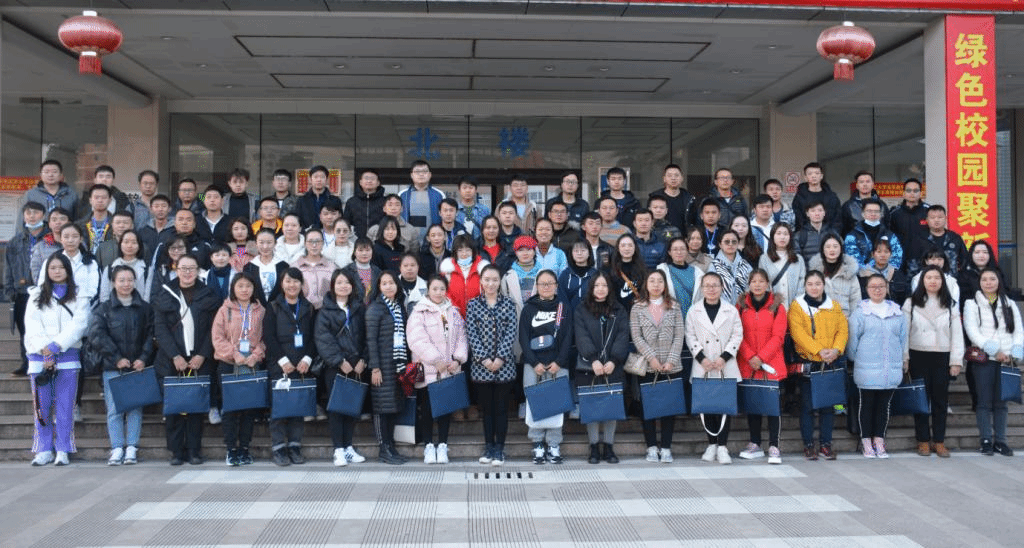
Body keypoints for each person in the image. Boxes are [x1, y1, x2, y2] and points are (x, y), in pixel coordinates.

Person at [152, 254, 220, 466]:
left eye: (192, 268)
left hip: (199, 359)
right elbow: (160, 329)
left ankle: (194, 450)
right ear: (176, 269)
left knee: (196, 408)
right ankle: (176, 451)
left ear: (198, 270)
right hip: (172, 360)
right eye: (183, 268)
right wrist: (175, 356)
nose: (188, 272)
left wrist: (202, 354)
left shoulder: (208, 293)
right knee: (174, 408)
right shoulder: (165, 293)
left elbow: (214, 329)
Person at [24, 253, 90, 466]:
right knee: (41, 408)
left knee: (65, 407)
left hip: (67, 357)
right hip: (39, 359)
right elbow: (32, 325)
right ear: (46, 271)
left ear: (68, 270)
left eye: (61, 267)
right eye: (52, 268)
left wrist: (56, 346)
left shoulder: (79, 294)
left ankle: (63, 448)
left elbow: (80, 324)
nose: (57, 271)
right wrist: (45, 350)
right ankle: (43, 449)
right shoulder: (36, 295)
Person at [90, 265, 154, 466]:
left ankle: (132, 447)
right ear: (113, 283)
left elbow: (151, 335)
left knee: (135, 408)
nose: (126, 284)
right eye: (121, 280)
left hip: (137, 367)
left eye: (130, 280)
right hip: (113, 367)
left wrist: (144, 357)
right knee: (114, 409)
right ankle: (117, 447)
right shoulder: (104, 309)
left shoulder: (145, 308)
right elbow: (97, 336)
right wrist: (116, 357)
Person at [407, 276, 469, 465]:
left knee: (445, 410)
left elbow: (462, 337)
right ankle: (428, 445)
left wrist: (458, 359)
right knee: (426, 409)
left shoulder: (453, 312)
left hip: (448, 370)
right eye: (435, 289)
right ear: (428, 290)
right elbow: (417, 339)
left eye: (442, 289)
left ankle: (442, 445)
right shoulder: (419, 312)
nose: (438, 292)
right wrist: (436, 360)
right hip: (428, 369)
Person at [904, 266, 964, 458]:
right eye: (928, 277)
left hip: (942, 355)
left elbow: (957, 334)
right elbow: (904, 333)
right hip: (918, 354)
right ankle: (923, 440)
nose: (932, 281)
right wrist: (904, 357)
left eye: (936, 277)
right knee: (921, 401)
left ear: (942, 281)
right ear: (922, 280)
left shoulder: (950, 303)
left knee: (940, 401)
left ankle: (939, 441)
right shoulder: (911, 302)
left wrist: (956, 360)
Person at [847, 274, 909, 458]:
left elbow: (903, 339)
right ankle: (866, 441)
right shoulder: (860, 313)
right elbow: (852, 341)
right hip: (866, 367)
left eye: (881, 286)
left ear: (887, 287)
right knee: (866, 405)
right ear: (866, 289)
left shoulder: (897, 312)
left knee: (884, 406)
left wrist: (903, 359)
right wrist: (855, 359)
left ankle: (879, 440)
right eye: (873, 286)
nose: (877, 290)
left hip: (890, 368)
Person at [963, 268, 1023, 457]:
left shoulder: (1009, 303)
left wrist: (1014, 352)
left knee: (1002, 403)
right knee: (983, 402)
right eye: (985, 279)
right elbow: (972, 331)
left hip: (1007, 360)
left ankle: (1001, 441)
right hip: (984, 359)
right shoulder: (972, 304)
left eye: (992, 279)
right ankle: (986, 440)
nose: (988, 283)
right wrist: (994, 350)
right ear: (979, 283)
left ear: (999, 282)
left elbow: (1019, 330)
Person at [789, 270, 849, 460]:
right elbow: (798, 333)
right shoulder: (797, 306)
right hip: (810, 362)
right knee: (807, 407)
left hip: (831, 362)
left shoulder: (834, 306)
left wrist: (836, 350)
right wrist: (819, 350)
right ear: (805, 286)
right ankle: (808, 445)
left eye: (818, 284)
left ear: (824, 285)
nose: (814, 288)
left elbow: (842, 330)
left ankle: (825, 444)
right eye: (810, 284)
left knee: (828, 407)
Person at [686, 272, 743, 465]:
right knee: (707, 406)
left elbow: (737, 335)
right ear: (702, 288)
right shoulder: (694, 311)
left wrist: (724, 357)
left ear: (721, 287)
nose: (711, 289)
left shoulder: (731, 310)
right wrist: (701, 358)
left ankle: (723, 446)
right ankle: (711, 444)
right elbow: (690, 336)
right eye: (707, 285)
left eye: (715, 285)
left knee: (724, 406)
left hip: (725, 365)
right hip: (703, 365)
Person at [631, 270, 687, 464]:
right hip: (648, 366)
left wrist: (671, 360)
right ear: (646, 285)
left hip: (671, 366)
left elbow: (679, 335)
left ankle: (666, 447)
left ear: (665, 285)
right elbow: (636, 336)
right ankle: (651, 447)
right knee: (648, 408)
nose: (656, 285)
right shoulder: (637, 307)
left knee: (669, 408)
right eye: (652, 281)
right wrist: (652, 358)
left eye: (660, 281)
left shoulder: (674, 306)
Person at [211, 271, 266, 466]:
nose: (244, 290)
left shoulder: (260, 310)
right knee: (230, 409)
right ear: (233, 288)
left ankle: (244, 448)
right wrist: (235, 355)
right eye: (240, 286)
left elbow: (265, 338)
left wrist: (255, 355)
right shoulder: (224, 309)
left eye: (248, 286)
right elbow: (217, 338)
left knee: (249, 409)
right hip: (228, 364)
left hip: (251, 364)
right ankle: (231, 450)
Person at [263, 267, 317, 466]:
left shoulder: (309, 307)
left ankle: (295, 446)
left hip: (302, 365)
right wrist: (283, 361)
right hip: (280, 365)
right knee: (279, 408)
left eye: (296, 281)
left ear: (301, 284)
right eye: (288, 281)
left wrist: (307, 359)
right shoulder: (273, 306)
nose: (292, 285)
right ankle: (278, 448)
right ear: (282, 284)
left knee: (297, 407)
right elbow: (269, 336)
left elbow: (314, 337)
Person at [575, 272, 630, 464]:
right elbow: (581, 335)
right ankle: (593, 447)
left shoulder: (619, 309)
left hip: (612, 366)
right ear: (591, 288)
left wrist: (614, 360)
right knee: (591, 406)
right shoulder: (581, 309)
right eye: (597, 285)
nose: (600, 289)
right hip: (589, 366)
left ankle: (608, 446)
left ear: (610, 288)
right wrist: (593, 359)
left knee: (611, 406)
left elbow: (623, 335)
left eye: (604, 285)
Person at [315, 269, 368, 467]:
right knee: (337, 408)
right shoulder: (325, 311)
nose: (343, 286)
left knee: (352, 407)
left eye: (347, 282)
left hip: (357, 365)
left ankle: (348, 447)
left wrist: (364, 359)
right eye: (339, 283)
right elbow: (323, 339)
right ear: (332, 286)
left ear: (352, 286)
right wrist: (339, 361)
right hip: (335, 366)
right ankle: (338, 449)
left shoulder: (359, 309)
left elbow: (368, 336)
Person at [519, 269, 573, 464]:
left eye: (550, 283)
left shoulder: (563, 308)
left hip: (558, 364)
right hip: (533, 364)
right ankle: (537, 443)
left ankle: (554, 443)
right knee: (535, 403)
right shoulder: (529, 308)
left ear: (556, 286)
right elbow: (523, 338)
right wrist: (534, 363)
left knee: (557, 405)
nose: (547, 286)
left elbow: (568, 337)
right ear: (537, 286)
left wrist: (559, 361)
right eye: (543, 283)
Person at [466, 264, 517, 466]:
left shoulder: (509, 303)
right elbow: (471, 333)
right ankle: (489, 447)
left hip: (505, 366)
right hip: (482, 367)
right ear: (481, 281)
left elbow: (511, 332)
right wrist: (485, 359)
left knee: (502, 409)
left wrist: (500, 358)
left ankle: (499, 449)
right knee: (487, 410)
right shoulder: (473, 304)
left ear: (500, 281)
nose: (491, 283)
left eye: (495, 280)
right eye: (487, 279)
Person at [737, 270, 788, 464]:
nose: (757, 285)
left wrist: (761, 357)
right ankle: (755, 442)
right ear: (749, 284)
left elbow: (778, 336)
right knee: (754, 405)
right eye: (753, 281)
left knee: (773, 406)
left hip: (771, 364)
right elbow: (737, 333)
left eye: (761, 281)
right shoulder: (741, 306)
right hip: (748, 362)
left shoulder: (777, 307)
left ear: (768, 284)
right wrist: (750, 356)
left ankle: (774, 445)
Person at [365, 271, 411, 465]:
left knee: (392, 407)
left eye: (391, 283)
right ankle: (383, 448)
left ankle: (391, 446)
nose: (389, 286)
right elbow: (370, 340)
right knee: (381, 408)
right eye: (384, 283)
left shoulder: (399, 307)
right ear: (379, 287)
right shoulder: (375, 308)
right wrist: (375, 368)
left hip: (396, 365)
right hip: (381, 366)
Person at [6, 201, 48, 376]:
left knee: (46, 327)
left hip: (45, 290)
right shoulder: (15, 241)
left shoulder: (50, 238)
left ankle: (47, 362)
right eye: (28, 213)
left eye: (36, 212)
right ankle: (26, 362)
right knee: (25, 329)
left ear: (43, 215)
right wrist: (9, 289)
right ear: (23, 216)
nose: (32, 216)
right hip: (22, 292)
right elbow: (8, 267)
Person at [42, 224, 100, 304]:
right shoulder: (50, 262)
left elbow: (93, 290)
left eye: (75, 236)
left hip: (83, 307)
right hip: (54, 306)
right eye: (66, 237)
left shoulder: (90, 263)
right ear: (61, 239)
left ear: (81, 239)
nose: (70, 240)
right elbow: (42, 286)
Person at [808, 234, 861, 315]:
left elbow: (855, 301)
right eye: (828, 247)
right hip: (820, 317)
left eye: (835, 246)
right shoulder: (815, 273)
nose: (832, 250)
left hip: (844, 317)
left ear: (841, 249)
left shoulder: (849, 272)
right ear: (823, 250)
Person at [844, 198, 903, 270]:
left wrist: (888, 271)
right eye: (869, 211)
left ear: (881, 214)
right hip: (861, 274)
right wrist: (867, 271)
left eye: (876, 211)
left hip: (886, 274)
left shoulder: (889, 235)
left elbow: (897, 255)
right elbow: (852, 258)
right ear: (863, 213)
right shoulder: (852, 236)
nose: (873, 214)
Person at [439, 235, 488, 318]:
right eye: (460, 250)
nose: (464, 254)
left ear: (473, 251)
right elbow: (443, 294)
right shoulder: (447, 270)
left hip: (478, 317)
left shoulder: (482, 270)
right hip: (453, 317)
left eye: (468, 250)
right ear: (455, 252)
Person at [758, 223, 805, 307]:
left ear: (790, 237)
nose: (782, 237)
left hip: (795, 307)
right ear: (773, 236)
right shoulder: (764, 259)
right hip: (773, 307)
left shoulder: (799, 259)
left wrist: (796, 304)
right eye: (778, 233)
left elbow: (802, 284)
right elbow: (763, 284)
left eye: (786, 234)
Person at [791, 162, 842, 232]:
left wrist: (832, 234)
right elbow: (798, 221)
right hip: (806, 235)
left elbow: (837, 219)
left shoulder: (831, 196)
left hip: (829, 235)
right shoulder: (800, 197)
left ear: (821, 176)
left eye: (817, 173)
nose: (813, 176)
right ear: (805, 177)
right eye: (810, 174)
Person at [99, 230, 147, 303]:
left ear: (139, 246)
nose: (129, 246)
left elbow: (147, 297)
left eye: (134, 242)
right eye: (126, 242)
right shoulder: (110, 268)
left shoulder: (147, 269)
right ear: (120, 244)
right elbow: (104, 296)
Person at [243, 229, 287, 305]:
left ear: (275, 243)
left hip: (278, 308)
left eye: (269, 242)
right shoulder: (249, 267)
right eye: (261, 242)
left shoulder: (283, 266)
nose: (265, 246)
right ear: (256, 244)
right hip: (255, 308)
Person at [858, 239, 909, 305]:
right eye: (879, 252)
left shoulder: (898, 275)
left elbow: (904, 299)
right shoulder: (863, 275)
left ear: (891, 255)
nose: (883, 255)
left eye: (886, 252)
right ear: (873, 254)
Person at [292, 228, 333, 309]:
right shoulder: (295, 267)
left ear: (323, 243)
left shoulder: (332, 267)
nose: (314, 245)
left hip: (326, 311)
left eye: (317, 241)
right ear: (305, 244)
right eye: (310, 241)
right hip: (301, 310)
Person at [921, 205, 969, 276]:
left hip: (952, 279)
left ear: (946, 219)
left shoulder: (955, 238)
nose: (936, 220)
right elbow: (914, 264)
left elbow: (965, 261)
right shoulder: (920, 239)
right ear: (927, 220)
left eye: (940, 217)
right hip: (928, 280)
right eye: (932, 218)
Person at [501, 235, 543, 315]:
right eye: (520, 250)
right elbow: (503, 301)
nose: (525, 253)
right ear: (516, 253)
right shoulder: (507, 276)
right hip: (515, 318)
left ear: (534, 251)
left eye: (528, 249)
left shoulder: (544, 273)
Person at [887, 178, 929, 257]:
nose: (912, 193)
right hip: (900, 257)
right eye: (909, 190)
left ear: (921, 193)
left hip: (924, 258)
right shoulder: (894, 213)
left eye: (915, 191)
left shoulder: (929, 211)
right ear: (904, 193)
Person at [29, 208, 71, 286]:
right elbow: (36, 272)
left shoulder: (77, 244)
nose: (58, 222)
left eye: (62, 219)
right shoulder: (40, 247)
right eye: (54, 220)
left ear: (69, 222)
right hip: (48, 289)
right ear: (49, 224)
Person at [840, 170, 889, 235]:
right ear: (857, 185)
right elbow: (843, 229)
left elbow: (887, 227)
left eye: (868, 181)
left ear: (873, 184)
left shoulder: (882, 205)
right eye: (861, 182)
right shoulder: (848, 206)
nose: (865, 184)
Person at [649, 163, 695, 233]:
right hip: (660, 236)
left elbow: (693, 222)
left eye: (676, 175)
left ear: (682, 178)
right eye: (669, 175)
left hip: (683, 237)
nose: (673, 178)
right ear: (664, 179)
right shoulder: (654, 197)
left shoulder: (689, 199)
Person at [400, 160, 445, 230]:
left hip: (433, 235)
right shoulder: (402, 195)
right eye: (417, 171)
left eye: (424, 171)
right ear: (411, 175)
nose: (421, 174)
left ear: (430, 175)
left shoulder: (439, 195)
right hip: (407, 235)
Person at [710, 229, 751, 305]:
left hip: (743, 307)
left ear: (738, 243)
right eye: (727, 242)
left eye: (734, 242)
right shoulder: (714, 266)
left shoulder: (745, 265)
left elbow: (751, 287)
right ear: (720, 244)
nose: (730, 244)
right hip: (721, 308)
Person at [296, 165, 344, 229]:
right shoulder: (302, 200)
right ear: (310, 179)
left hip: (329, 233)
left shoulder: (335, 200)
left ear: (327, 180)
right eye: (315, 177)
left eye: (322, 177)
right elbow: (298, 221)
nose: (319, 180)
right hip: (307, 233)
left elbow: (340, 220)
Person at [608, 234, 648, 311]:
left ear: (635, 248)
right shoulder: (610, 269)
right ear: (618, 248)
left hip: (638, 311)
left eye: (630, 245)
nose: (627, 249)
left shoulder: (642, 268)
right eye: (623, 245)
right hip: (618, 312)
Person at [344, 168, 387, 239]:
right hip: (356, 241)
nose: (369, 181)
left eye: (372, 179)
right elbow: (346, 223)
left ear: (378, 183)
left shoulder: (385, 202)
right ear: (360, 182)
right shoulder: (351, 202)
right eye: (366, 178)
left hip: (379, 241)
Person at [794, 200, 840, 266]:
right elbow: (797, 258)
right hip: (809, 271)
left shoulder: (833, 233)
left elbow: (841, 254)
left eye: (820, 210)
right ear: (807, 214)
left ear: (824, 213)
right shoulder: (800, 235)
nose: (817, 214)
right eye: (813, 211)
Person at [559, 240, 599, 313]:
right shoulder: (565, 275)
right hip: (570, 316)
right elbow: (562, 300)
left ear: (589, 253)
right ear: (571, 254)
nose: (579, 253)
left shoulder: (596, 274)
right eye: (576, 251)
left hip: (592, 315)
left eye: (583, 250)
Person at [342, 237, 382, 307]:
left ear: (372, 251)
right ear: (354, 252)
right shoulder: (346, 271)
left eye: (367, 250)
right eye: (360, 250)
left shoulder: (378, 272)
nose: (364, 253)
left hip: (373, 310)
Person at [146, 235, 186, 302]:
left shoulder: (193, 270)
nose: (176, 251)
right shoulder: (161, 271)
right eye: (173, 248)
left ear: (186, 249)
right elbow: (154, 296)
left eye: (180, 247)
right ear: (168, 251)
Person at [138, 194, 175, 265]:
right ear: (151, 209)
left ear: (169, 209)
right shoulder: (143, 231)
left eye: (163, 206)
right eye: (156, 206)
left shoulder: (175, 230)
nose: (160, 209)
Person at [78, 183, 114, 255]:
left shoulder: (115, 224)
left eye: (104, 197)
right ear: (90, 200)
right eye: (96, 197)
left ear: (110, 200)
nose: (100, 200)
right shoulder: (80, 224)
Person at [455, 175, 490, 239]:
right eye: (464, 188)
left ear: (476, 190)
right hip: (459, 244)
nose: (468, 190)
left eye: (471, 188)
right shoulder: (454, 210)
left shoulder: (484, 210)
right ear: (459, 190)